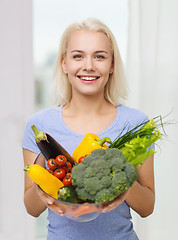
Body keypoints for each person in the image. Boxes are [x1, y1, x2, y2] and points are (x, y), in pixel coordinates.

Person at [22, 18, 155, 240]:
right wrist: (42, 190)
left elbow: (147, 207)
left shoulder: (135, 123)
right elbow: (31, 208)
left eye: (100, 56)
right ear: (64, 63)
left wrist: (123, 182)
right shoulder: (41, 125)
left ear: (112, 65)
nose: (89, 66)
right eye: (78, 56)